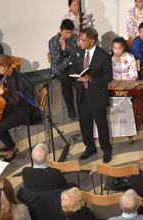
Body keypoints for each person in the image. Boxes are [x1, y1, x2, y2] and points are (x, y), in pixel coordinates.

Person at [0, 54, 42, 162]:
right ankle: (8, 142)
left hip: (22, 112)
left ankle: (11, 148)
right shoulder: (9, 75)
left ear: (7, 66)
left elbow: (15, 102)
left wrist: (2, 92)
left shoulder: (13, 79)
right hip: (16, 107)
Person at [74, 28, 114, 163]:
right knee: (85, 124)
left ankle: (106, 150)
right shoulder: (78, 53)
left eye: (83, 40)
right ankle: (90, 147)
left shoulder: (103, 56)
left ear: (92, 41)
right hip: (82, 95)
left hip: (97, 96)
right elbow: (74, 69)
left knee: (101, 125)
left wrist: (91, 79)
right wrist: (76, 77)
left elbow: (108, 77)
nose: (80, 42)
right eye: (79, 39)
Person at [49, 19, 80, 120]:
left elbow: (80, 53)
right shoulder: (53, 41)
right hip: (60, 68)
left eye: (71, 32)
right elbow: (57, 61)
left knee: (82, 77)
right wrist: (62, 48)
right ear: (60, 30)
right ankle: (71, 109)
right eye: (67, 32)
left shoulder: (75, 38)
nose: (69, 35)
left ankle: (83, 105)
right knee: (67, 82)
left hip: (74, 66)